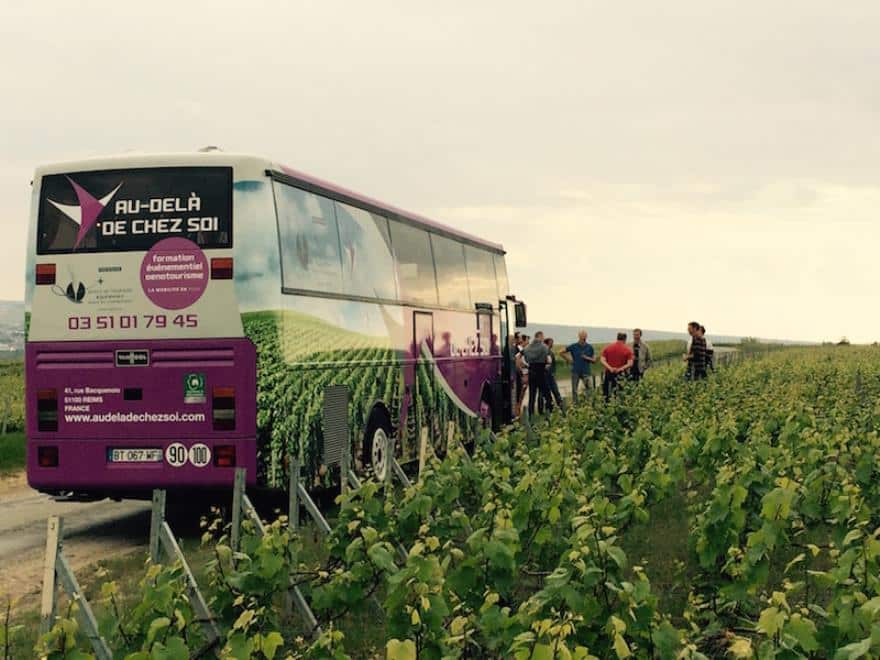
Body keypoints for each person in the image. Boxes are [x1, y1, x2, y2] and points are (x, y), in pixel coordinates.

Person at [560, 330, 596, 404]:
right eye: (582, 336)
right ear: (579, 336)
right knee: (574, 390)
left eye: (585, 336)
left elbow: (594, 360)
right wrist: (569, 359)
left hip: (586, 371)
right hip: (575, 371)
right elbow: (561, 352)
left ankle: (588, 403)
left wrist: (586, 358)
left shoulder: (589, 347)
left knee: (589, 388)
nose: (583, 338)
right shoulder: (574, 346)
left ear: (586, 337)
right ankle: (575, 404)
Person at [522, 331, 550, 418]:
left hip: (531, 371)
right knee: (546, 393)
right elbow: (548, 359)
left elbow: (518, 356)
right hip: (541, 371)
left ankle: (531, 414)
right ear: (540, 336)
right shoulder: (544, 347)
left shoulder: (527, 347)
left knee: (532, 395)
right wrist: (547, 364)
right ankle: (549, 411)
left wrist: (526, 366)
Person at [600, 332, 634, 400]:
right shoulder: (628, 350)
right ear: (625, 339)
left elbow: (602, 360)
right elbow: (630, 363)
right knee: (619, 393)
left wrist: (610, 368)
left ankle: (606, 406)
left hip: (609, 373)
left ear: (617, 338)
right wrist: (620, 369)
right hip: (621, 374)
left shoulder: (607, 348)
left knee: (607, 392)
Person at [542, 338, 565, 412]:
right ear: (548, 343)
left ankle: (553, 408)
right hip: (547, 375)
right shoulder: (546, 352)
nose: (552, 344)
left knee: (548, 393)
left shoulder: (548, 352)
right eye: (551, 343)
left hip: (548, 374)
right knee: (553, 392)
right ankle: (557, 407)